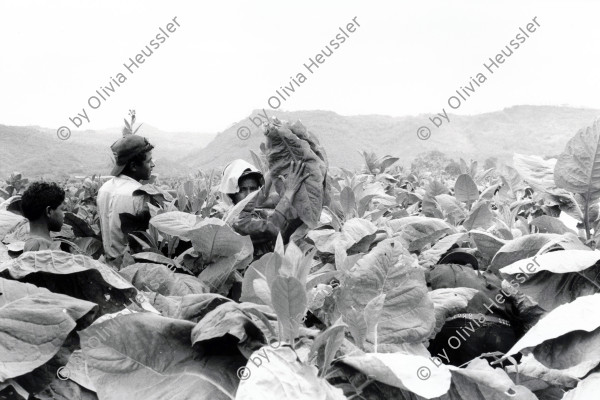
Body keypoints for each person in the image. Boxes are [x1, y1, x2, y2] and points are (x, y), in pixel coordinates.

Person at [219, 159, 309, 259]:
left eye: (253, 189)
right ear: (232, 194)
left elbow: (281, 232)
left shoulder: (255, 213)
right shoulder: (236, 220)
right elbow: (272, 227)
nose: (250, 195)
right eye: (242, 190)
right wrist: (289, 192)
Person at [97, 135, 155, 265]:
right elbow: (145, 241)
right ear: (134, 166)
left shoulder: (103, 189)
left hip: (109, 265)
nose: (153, 165)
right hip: (131, 266)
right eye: (148, 161)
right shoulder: (140, 194)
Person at [20, 181, 65, 252]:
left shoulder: (36, 242)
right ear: (49, 211)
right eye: (62, 209)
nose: (64, 214)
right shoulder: (37, 245)